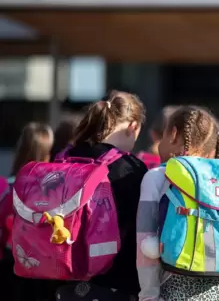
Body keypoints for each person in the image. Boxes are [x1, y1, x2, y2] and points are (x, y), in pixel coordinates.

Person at [137, 106, 219, 301]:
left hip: (173, 290)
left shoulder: (156, 177)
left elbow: (144, 241)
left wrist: (148, 294)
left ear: (173, 135)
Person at [44, 91, 147, 301]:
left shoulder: (65, 158)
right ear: (133, 127)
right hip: (115, 285)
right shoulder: (131, 169)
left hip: (62, 281)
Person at [0, 122, 53, 301]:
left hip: (11, 264)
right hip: (44, 266)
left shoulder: (8, 187)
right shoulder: (52, 191)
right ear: (46, 154)